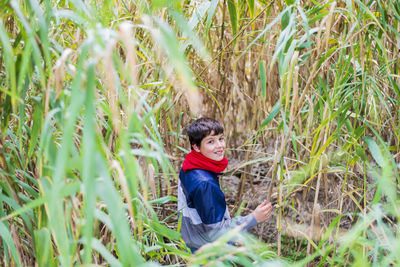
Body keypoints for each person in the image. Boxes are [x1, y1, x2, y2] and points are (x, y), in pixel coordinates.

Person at [178, 117, 273, 253]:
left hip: (193, 239)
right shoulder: (205, 184)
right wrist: (253, 218)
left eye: (221, 139)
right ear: (196, 147)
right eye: (211, 141)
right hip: (207, 250)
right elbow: (217, 233)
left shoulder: (189, 165)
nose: (220, 146)